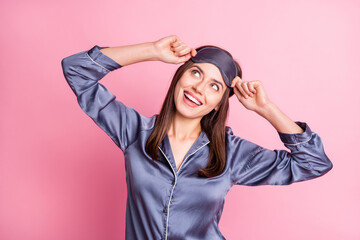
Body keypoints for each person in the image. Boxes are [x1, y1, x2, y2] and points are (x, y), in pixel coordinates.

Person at [61, 35, 333, 240]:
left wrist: (266, 109)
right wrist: (152, 51)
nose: (198, 88)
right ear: (179, 77)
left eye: (214, 86)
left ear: (218, 103)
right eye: (195, 73)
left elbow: (313, 163)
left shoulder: (232, 153)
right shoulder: (134, 132)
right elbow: (77, 69)